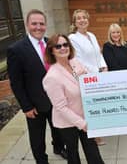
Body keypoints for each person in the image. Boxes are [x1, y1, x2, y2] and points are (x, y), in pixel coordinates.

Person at [7, 9, 66, 164]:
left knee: (58, 129)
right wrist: (26, 107)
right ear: (27, 25)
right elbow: (16, 82)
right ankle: (41, 159)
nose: (38, 27)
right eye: (34, 24)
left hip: (55, 99)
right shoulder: (16, 49)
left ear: (45, 25)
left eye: (41, 23)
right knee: (37, 136)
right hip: (34, 104)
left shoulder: (51, 44)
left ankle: (59, 148)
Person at [43, 34, 104, 164]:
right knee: (73, 153)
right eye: (58, 46)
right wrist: (82, 124)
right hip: (67, 122)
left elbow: (88, 79)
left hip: (84, 115)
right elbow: (61, 108)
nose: (63, 48)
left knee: (93, 150)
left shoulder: (75, 62)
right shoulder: (52, 77)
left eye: (65, 44)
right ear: (52, 51)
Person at [68, 9, 107, 145]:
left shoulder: (91, 35)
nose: (82, 20)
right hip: (87, 77)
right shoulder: (73, 38)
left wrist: (104, 67)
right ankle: (94, 135)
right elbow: (79, 60)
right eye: (79, 18)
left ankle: (99, 129)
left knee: (99, 103)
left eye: (84, 17)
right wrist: (97, 72)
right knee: (90, 107)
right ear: (75, 22)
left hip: (99, 75)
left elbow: (99, 53)